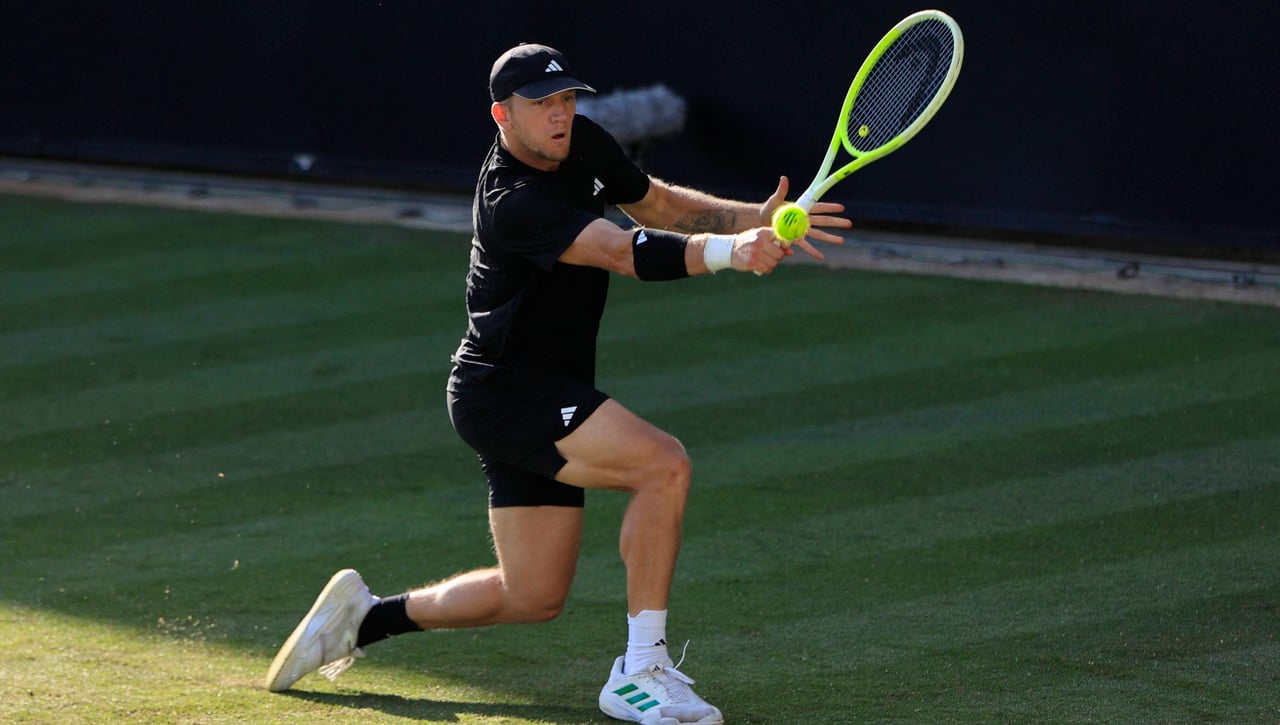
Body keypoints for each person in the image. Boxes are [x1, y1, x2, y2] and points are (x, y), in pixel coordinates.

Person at [265, 42, 849, 724]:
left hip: (533, 387)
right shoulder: (513, 200)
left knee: (533, 593)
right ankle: (642, 669)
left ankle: (363, 619)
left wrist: (753, 218)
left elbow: (653, 206)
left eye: (567, 99)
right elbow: (621, 252)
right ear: (501, 115)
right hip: (509, 391)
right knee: (663, 466)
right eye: (542, 104)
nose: (560, 114)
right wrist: (731, 255)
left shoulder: (583, 142)